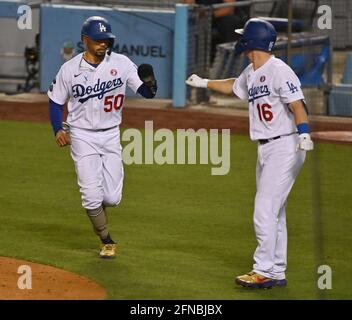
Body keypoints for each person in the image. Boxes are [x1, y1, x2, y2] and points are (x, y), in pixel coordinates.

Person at [186, 18, 314, 288]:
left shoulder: (279, 70)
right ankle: (276, 270)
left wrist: (304, 133)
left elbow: (298, 104)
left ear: (252, 40)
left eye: (243, 36)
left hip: (286, 145)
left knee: (264, 209)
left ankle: (263, 270)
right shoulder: (253, 70)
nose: (240, 40)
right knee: (275, 212)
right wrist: (205, 82)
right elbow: (235, 86)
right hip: (267, 147)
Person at [48, 16, 157, 259]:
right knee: (90, 195)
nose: (103, 44)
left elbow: (145, 92)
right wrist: (58, 128)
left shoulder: (122, 63)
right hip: (81, 135)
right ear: (85, 40)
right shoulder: (70, 69)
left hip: (110, 135)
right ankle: (106, 239)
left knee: (112, 198)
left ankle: (99, 206)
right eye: (98, 40)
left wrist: (151, 85)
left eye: (106, 40)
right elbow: (55, 101)